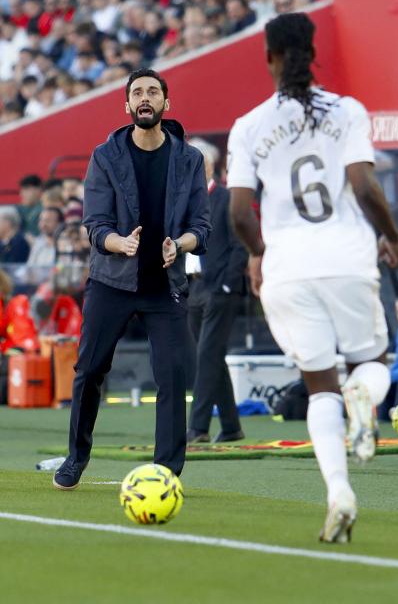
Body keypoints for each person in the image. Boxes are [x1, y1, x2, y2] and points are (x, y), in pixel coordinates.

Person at [227, 13, 398, 543]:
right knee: (372, 365)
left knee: (318, 388)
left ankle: (339, 495)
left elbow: (238, 213)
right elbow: (364, 185)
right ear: (312, 50)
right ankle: (363, 399)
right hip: (346, 258)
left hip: (287, 269)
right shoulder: (347, 110)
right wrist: (391, 235)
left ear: (269, 58)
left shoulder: (249, 125)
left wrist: (260, 254)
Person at [53, 67, 211, 490]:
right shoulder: (105, 156)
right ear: (126, 106)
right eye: (137, 92)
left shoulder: (190, 159)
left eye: (152, 92)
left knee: (173, 378)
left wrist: (179, 244)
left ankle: (165, 474)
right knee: (89, 370)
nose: (145, 98)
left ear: (165, 103)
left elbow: (202, 226)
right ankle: (76, 457)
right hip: (111, 281)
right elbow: (94, 223)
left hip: (166, 285)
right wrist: (117, 243)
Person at [185, 137, 248, 444]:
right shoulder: (183, 200)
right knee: (210, 356)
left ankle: (197, 428)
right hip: (192, 287)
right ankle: (232, 426)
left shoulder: (224, 198)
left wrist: (224, 283)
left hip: (218, 287)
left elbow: (240, 246)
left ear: (208, 164)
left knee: (207, 355)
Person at [16, 174, 43, 241]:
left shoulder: (45, 209)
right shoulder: (17, 209)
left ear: (38, 190)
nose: (22, 194)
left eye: (26, 189)